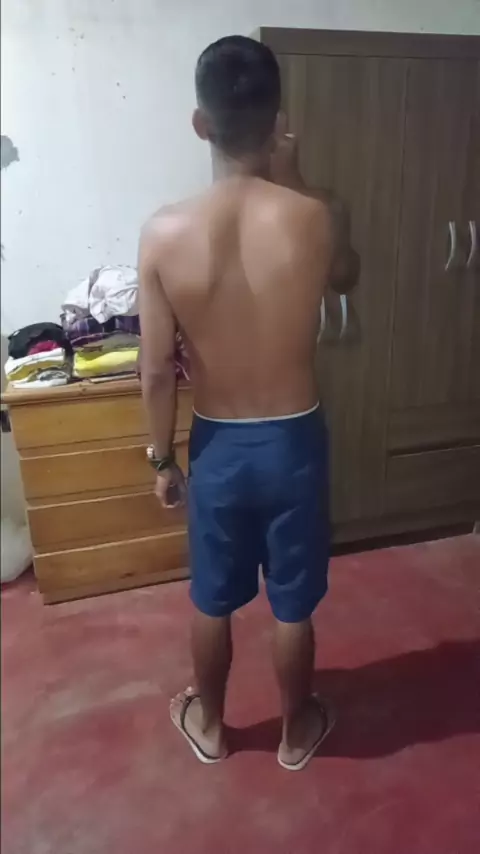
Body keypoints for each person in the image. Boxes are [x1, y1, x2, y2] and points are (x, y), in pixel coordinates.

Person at [139, 35, 358, 771]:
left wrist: (161, 460)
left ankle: (210, 725)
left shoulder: (163, 233)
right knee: (292, 602)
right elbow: (348, 275)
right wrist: (296, 179)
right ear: (277, 120)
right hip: (295, 441)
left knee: (212, 596)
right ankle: (297, 733)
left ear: (201, 123)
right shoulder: (315, 215)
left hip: (219, 443)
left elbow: (154, 371)